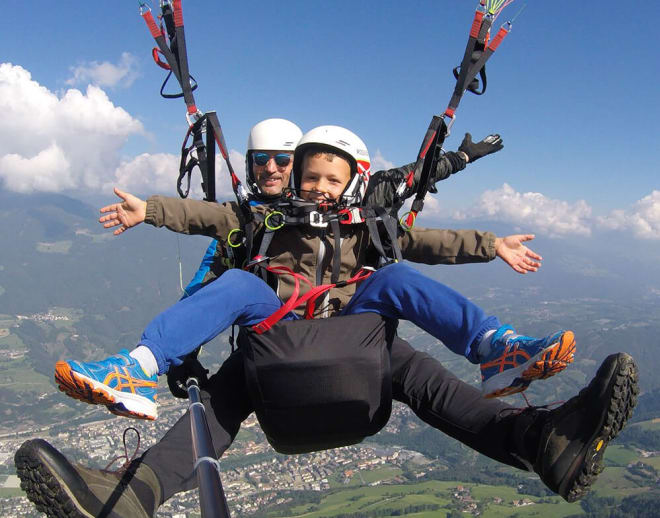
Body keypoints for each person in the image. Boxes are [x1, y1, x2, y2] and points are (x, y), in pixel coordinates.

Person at [53, 125, 575, 423]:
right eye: (311, 177)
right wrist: (150, 210)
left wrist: (491, 246)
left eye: (332, 178)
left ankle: (495, 349)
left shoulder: (368, 226)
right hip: (279, 323)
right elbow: (206, 217)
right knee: (237, 283)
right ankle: (134, 366)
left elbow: (427, 242)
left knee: (393, 278)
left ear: (351, 185)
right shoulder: (264, 217)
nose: (319, 186)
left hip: (350, 323)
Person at [17, 351, 639, 516]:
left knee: (226, 398)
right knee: (420, 377)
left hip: (272, 372)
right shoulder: (357, 223)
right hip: (360, 366)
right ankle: (540, 441)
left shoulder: (248, 236)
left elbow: (206, 224)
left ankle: (133, 495)